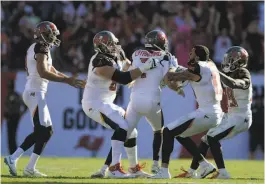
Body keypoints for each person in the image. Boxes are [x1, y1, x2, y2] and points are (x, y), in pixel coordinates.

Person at [4, 21, 85, 177]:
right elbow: (42, 72)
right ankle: (13, 158)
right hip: (35, 91)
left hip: (34, 91)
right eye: (51, 34)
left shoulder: (36, 47)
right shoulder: (42, 47)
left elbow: (51, 69)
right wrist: (66, 80)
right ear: (43, 34)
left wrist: (68, 78)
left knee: (46, 131)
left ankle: (29, 167)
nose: (53, 37)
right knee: (42, 130)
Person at [82, 30, 161, 178]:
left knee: (132, 132)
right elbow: (124, 78)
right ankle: (114, 169)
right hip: (94, 103)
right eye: (111, 44)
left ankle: (133, 169)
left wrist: (148, 71)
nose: (115, 46)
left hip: (105, 103)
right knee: (123, 127)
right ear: (103, 46)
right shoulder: (99, 60)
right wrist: (144, 68)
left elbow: (129, 69)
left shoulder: (116, 56)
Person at [177, 46, 252, 179]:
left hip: (242, 117)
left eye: (230, 60)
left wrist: (216, 72)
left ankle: (223, 173)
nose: (227, 62)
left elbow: (235, 84)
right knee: (206, 139)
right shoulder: (229, 73)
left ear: (238, 61)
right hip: (231, 115)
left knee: (212, 138)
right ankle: (191, 171)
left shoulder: (243, 73)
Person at [151, 45, 223, 179]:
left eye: (191, 53)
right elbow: (189, 76)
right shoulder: (210, 65)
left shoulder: (199, 67)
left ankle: (164, 171)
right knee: (179, 134)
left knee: (167, 131)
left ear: (197, 56)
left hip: (207, 112)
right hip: (214, 111)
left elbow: (175, 77)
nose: (189, 55)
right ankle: (204, 165)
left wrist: (169, 68)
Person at [4, 80, 27, 154]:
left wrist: (20, 113)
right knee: (10, 136)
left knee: (12, 136)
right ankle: (12, 152)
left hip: (13, 117)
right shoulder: (12, 95)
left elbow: (25, 105)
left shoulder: (14, 95)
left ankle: (13, 152)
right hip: (10, 117)